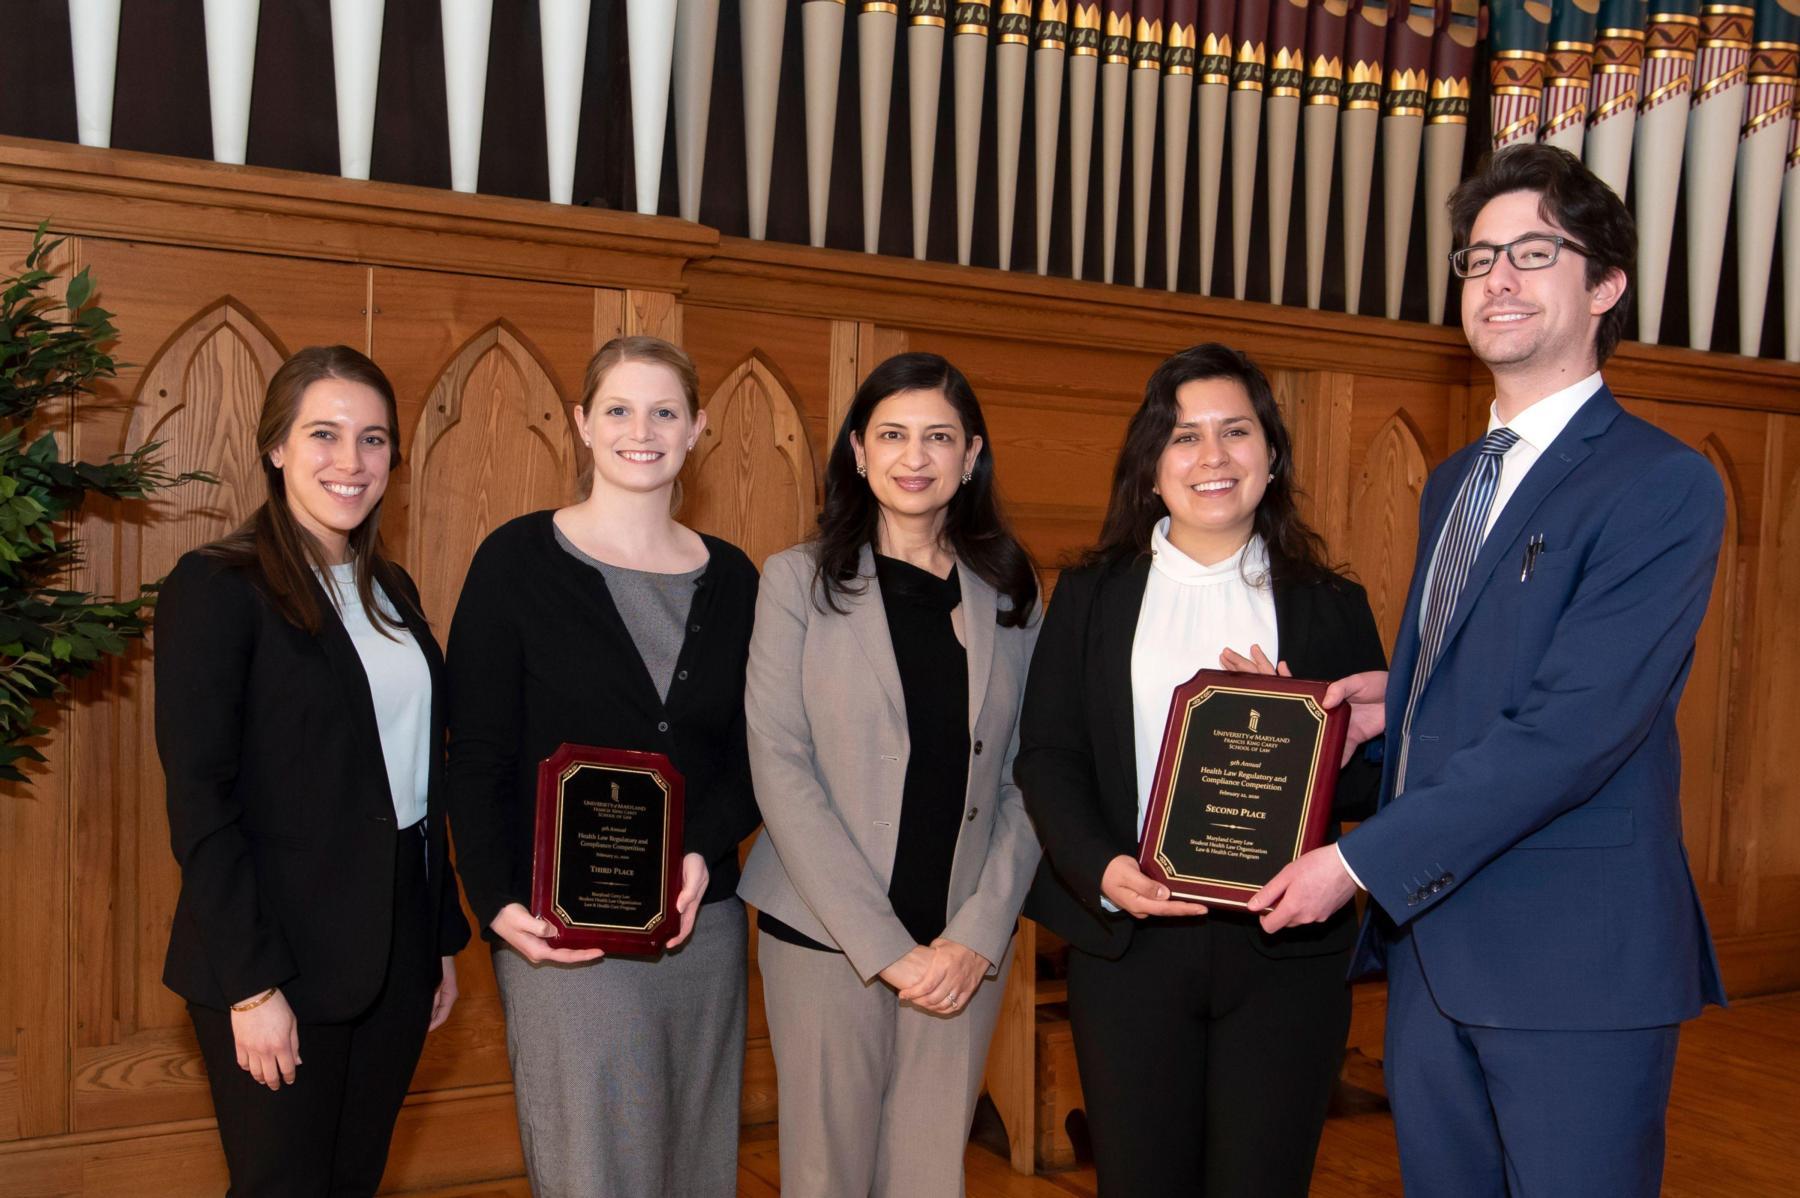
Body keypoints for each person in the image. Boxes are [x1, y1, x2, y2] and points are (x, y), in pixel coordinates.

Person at [1251, 143, 1727, 1196]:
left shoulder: (1663, 484)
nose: (1497, 278)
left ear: (1605, 286)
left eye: (1532, 252)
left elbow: (1577, 727)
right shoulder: (1460, 477)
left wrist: (1358, 861)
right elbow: (1496, 667)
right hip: (1437, 953)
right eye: (1477, 258)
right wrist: (1401, 700)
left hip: (1573, 964)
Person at [1015, 343, 1388, 1197]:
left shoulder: (1331, 604)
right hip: (1131, 945)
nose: (1212, 456)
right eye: (1184, 436)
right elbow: (1049, 754)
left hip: (1285, 956)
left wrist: (1310, 740)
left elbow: (1368, 790)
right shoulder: (1091, 595)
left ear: (1271, 456)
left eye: (1236, 431)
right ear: (1150, 467)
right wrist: (1103, 870)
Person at [444, 335, 758, 1197]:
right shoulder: (513, 563)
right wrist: (496, 898)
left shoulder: (734, 580)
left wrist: (699, 851)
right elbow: (473, 755)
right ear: (582, 424)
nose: (640, 431)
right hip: (561, 936)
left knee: (696, 1167)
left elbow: (754, 758)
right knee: (594, 1172)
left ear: (697, 428)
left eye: (664, 411)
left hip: (703, 923)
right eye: (618, 409)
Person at [155, 346, 469, 1196]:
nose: (351, 461)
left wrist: (438, 938)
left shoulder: (391, 589)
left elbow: (413, 776)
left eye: (373, 440)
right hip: (274, 957)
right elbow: (200, 801)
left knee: (351, 1182)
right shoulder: (217, 588)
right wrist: (252, 989)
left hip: (395, 950)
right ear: (277, 448)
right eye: (323, 433)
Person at [739, 351, 1041, 1197]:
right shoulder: (796, 580)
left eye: (939, 437)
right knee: (825, 1176)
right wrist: (885, 949)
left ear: (970, 455)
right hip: (823, 936)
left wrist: (978, 936)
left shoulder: (1012, 589)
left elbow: (1031, 775)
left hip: (961, 947)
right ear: (858, 452)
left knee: (926, 1175)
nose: (916, 457)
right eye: (894, 435)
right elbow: (780, 764)